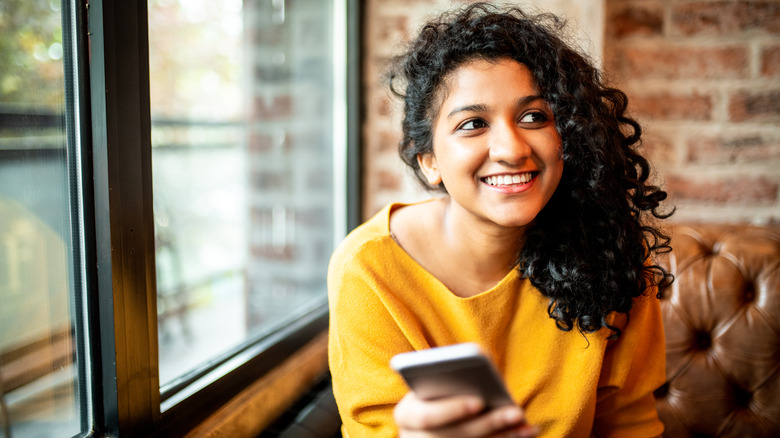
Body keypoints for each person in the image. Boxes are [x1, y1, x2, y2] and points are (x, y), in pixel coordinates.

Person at [327, 3, 674, 437]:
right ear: (430, 161)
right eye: (473, 123)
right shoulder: (370, 270)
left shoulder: (611, 250)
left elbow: (628, 426)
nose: (511, 149)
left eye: (534, 117)